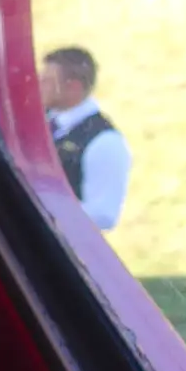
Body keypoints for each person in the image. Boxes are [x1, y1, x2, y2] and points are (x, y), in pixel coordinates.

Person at [41, 47, 131, 232]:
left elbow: (103, 214)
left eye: (47, 81)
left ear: (73, 87)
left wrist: (41, 209)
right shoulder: (38, 119)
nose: (38, 86)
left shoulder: (104, 142)